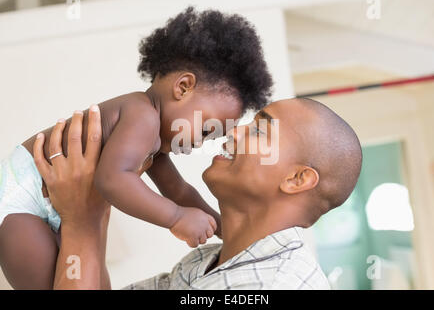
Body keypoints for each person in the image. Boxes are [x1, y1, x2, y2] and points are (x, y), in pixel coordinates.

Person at [0, 7, 273, 289]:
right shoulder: (141, 115)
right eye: (206, 129)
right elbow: (113, 179)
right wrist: (176, 218)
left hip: (56, 205)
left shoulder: (154, 140)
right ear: (183, 87)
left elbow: (178, 190)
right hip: (19, 201)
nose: (201, 142)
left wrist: (221, 226)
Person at [34, 97, 362, 289]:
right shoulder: (203, 264)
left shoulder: (274, 284)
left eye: (260, 128)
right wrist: (95, 202)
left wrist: (81, 222)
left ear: (296, 179)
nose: (235, 131)